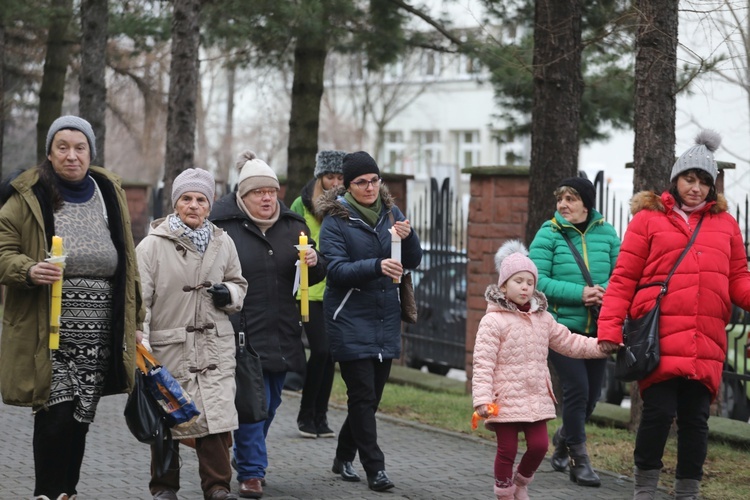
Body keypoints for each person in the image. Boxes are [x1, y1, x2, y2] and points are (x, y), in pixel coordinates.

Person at [597, 130, 750, 500]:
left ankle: (687, 491)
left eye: (703, 182)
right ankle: (646, 487)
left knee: (697, 422)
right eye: (689, 179)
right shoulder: (649, 220)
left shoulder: (726, 225)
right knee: (658, 414)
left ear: (712, 187)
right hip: (658, 339)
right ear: (676, 179)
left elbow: (738, 279)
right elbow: (623, 278)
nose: (695, 188)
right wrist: (610, 328)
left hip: (706, 339)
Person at [0, 115, 144, 500]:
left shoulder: (108, 192)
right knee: (55, 413)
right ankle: (46, 492)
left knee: (81, 416)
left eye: (79, 147)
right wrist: (29, 269)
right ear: (49, 152)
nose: (71, 155)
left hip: (99, 330)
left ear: (90, 152)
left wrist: (137, 321)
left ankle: (67, 491)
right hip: (48, 328)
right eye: (62, 146)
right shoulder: (28, 194)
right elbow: (2, 249)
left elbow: (128, 262)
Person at [209, 150, 326, 499]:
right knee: (251, 403)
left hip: (283, 329)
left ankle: (245, 452)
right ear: (242, 196)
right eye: (257, 192)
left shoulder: (294, 226)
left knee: (271, 402)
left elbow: (316, 273)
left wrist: (315, 259)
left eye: (271, 191)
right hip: (241, 329)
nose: (266, 198)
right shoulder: (222, 227)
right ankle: (251, 472)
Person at [472, 240, 617, 500]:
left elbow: (571, 342)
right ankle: (504, 493)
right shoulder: (493, 321)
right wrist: (482, 398)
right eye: (518, 281)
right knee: (507, 450)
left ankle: (520, 483)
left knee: (539, 446)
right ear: (504, 285)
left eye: (530, 282)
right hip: (503, 398)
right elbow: (483, 362)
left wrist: (603, 347)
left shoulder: (544, 319)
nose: (525, 287)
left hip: (536, 396)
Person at [136, 168, 248, 500]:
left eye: (201, 199)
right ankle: (163, 488)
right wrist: (138, 337)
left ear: (210, 204)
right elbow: (139, 299)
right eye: (186, 198)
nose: (194, 205)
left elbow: (238, 283)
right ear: (175, 203)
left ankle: (217, 487)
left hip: (214, 348)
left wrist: (229, 294)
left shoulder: (223, 241)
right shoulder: (151, 247)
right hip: (169, 349)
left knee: (215, 419)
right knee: (167, 422)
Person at [317, 151, 423, 493]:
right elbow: (335, 270)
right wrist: (376, 266)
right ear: (348, 186)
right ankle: (375, 468)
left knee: (370, 399)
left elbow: (414, 261)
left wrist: (409, 236)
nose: (369, 187)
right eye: (361, 182)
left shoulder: (392, 213)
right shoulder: (336, 220)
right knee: (361, 397)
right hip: (348, 317)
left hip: (384, 317)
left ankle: (343, 455)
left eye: (374, 180)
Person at [528, 176, 620, 486]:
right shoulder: (548, 233)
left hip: (599, 329)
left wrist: (603, 291)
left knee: (593, 396)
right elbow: (535, 281)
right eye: (560, 199)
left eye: (571, 198)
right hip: (560, 328)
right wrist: (580, 293)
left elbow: (623, 275)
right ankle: (579, 460)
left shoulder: (607, 233)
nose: (563, 204)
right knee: (577, 389)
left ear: (586, 203)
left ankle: (564, 435)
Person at [290, 149, 346, 438]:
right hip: (307, 290)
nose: (335, 181)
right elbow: (288, 235)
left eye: (339, 176)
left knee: (330, 356)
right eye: (329, 176)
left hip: (335, 290)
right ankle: (305, 414)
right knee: (321, 350)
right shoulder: (301, 203)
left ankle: (320, 417)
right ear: (319, 176)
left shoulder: (346, 204)